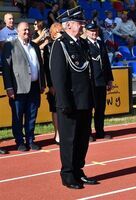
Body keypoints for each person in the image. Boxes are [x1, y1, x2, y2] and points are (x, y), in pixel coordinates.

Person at [50, 6, 98, 189]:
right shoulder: (60, 44)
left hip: (84, 100)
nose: (82, 25)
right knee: (69, 140)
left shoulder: (82, 43)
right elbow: (59, 77)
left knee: (82, 139)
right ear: (68, 25)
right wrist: (63, 102)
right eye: (80, 22)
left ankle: (79, 170)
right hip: (70, 102)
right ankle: (68, 174)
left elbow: (88, 73)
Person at [1, 22, 45, 151]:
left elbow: (40, 66)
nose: (27, 32)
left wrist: (42, 83)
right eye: (24, 30)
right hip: (18, 88)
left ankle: (30, 140)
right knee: (18, 117)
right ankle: (20, 142)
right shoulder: (10, 45)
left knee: (32, 116)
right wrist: (9, 88)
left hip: (34, 87)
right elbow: (6, 68)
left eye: (28, 29)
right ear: (18, 31)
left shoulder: (35, 46)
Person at [85, 22, 114, 141]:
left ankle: (100, 131)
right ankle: (87, 134)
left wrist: (110, 79)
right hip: (90, 82)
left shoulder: (100, 44)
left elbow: (106, 63)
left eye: (95, 31)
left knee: (100, 109)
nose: (94, 33)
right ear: (86, 32)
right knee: (88, 110)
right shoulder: (84, 44)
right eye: (91, 31)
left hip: (101, 81)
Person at [43, 22, 63, 144]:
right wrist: (50, 85)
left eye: (61, 32)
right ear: (52, 34)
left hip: (66, 84)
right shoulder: (48, 48)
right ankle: (57, 134)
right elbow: (47, 68)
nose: (60, 35)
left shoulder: (66, 45)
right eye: (58, 32)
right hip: (54, 84)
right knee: (55, 110)